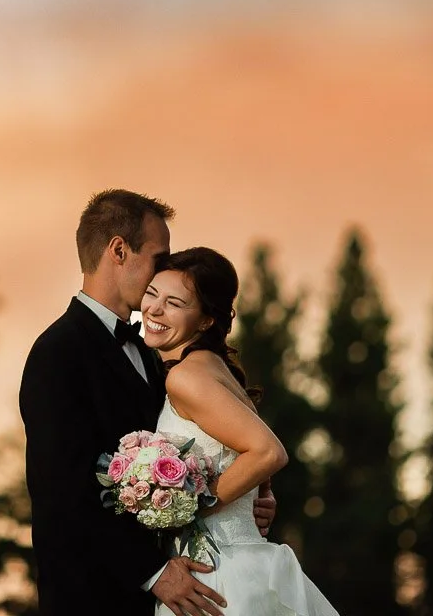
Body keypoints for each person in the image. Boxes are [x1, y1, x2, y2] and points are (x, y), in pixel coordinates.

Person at [19, 190, 277, 616]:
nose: (167, 269)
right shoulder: (58, 352)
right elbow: (62, 493)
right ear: (119, 250)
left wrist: (248, 497)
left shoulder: (155, 354)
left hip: (167, 593)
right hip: (93, 599)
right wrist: (154, 572)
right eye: (160, 256)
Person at [143, 246, 338, 616]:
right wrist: (257, 497)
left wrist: (187, 511)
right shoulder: (216, 368)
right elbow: (244, 456)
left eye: (175, 303)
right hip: (243, 559)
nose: (154, 309)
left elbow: (268, 452)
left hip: (217, 571)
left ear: (205, 321)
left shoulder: (186, 377)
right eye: (152, 293)